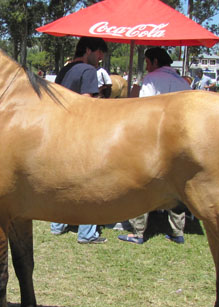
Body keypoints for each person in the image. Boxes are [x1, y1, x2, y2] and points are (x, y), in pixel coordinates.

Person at [119, 47, 190, 245]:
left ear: (155, 61)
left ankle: (138, 231)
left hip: (155, 139)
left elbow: (145, 108)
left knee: (143, 182)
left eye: (148, 62)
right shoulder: (182, 81)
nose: (147, 66)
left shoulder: (152, 79)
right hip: (180, 139)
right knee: (177, 184)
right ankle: (178, 231)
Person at [50, 36, 108, 244]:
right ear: (88, 50)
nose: (101, 57)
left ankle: (57, 225)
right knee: (88, 183)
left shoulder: (64, 70)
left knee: (63, 181)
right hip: (80, 135)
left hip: (59, 132)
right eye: (99, 52)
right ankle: (87, 233)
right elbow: (86, 103)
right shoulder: (89, 71)